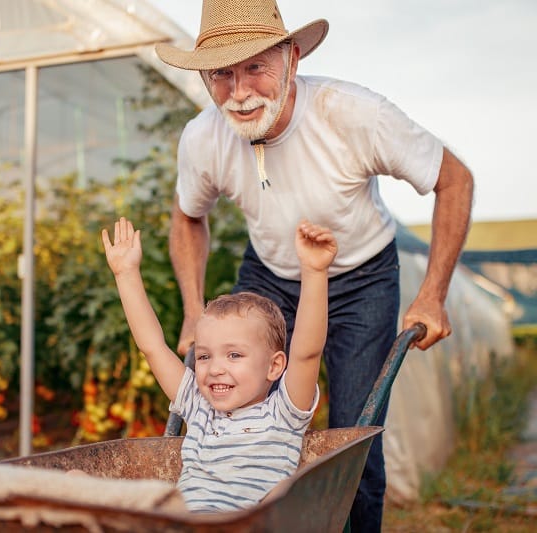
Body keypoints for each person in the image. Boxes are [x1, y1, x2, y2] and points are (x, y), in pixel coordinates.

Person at [154, 0, 474, 529]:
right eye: (222, 74)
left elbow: (454, 179)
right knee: (228, 416)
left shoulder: (353, 114)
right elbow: (188, 218)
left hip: (362, 278)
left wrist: (433, 292)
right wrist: (193, 310)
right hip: (269, 271)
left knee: (353, 443)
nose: (239, 92)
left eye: (256, 66)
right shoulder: (203, 137)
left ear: (292, 58)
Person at [102, 216, 337, 511]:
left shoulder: (282, 415)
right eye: (203, 356)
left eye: (234, 355)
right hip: (182, 523)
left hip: (242, 526)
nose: (214, 368)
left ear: (274, 367)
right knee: (107, 494)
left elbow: (307, 352)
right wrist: (126, 274)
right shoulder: (197, 404)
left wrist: (315, 272)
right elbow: (152, 347)